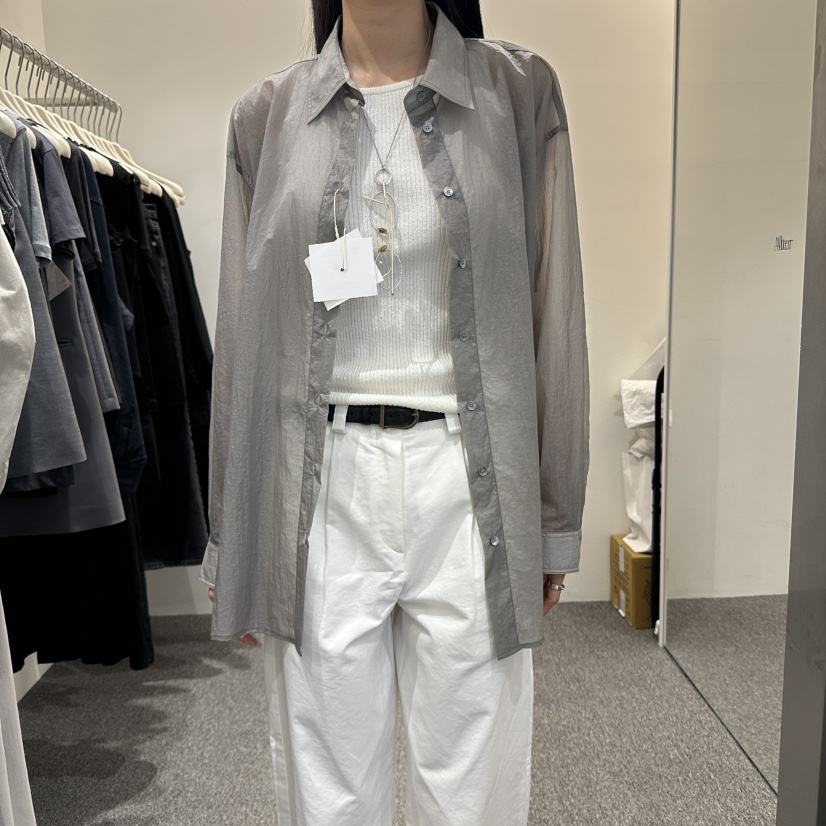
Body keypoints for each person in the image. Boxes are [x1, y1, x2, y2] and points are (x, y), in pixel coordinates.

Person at [202, 0, 589, 822]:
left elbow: (554, 309)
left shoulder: (518, 95)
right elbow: (244, 336)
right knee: (330, 786)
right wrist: (235, 535)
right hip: (320, 487)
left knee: (473, 787)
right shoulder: (265, 118)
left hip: (471, 481)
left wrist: (554, 515)